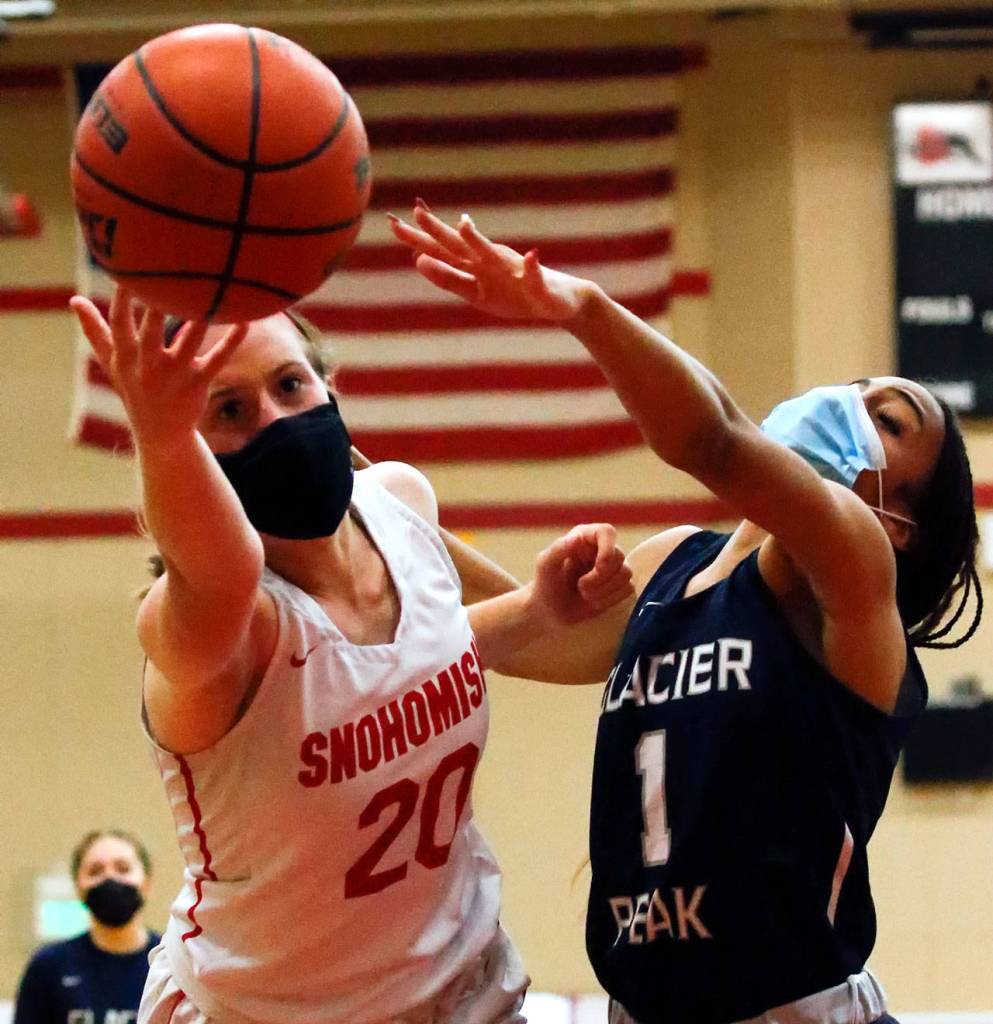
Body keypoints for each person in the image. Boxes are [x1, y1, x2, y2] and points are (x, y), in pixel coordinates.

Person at [388, 203, 982, 1024]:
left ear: (897, 522)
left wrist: (583, 309)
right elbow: (514, 631)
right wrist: (335, 476)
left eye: (885, 421)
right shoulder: (675, 562)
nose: (846, 404)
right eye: (855, 390)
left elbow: (713, 441)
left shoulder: (849, 573)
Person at [68, 290, 634, 1024]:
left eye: (289, 383)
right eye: (229, 410)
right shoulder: (213, 630)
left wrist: (537, 608)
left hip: (462, 993)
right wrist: (162, 435)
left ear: (328, 386)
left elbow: (419, 658)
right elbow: (220, 569)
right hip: (265, 1012)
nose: (275, 419)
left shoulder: (399, 505)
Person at [14, 829, 160, 1024]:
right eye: (95, 871)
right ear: (78, 887)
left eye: (123, 868)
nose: (110, 878)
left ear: (146, 881)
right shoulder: (48, 966)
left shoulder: (171, 963)